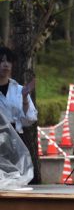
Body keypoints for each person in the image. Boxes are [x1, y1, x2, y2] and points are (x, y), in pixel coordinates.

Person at [0, 47, 38, 184]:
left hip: (16, 139)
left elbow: (30, 120)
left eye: (8, 61)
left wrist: (25, 98)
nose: (5, 64)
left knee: (19, 178)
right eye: (1, 61)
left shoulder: (19, 89)